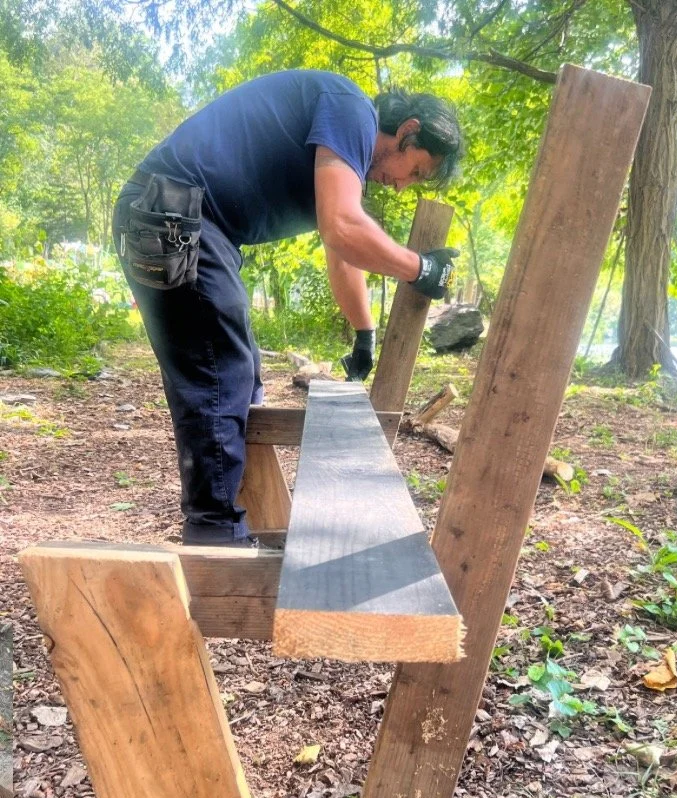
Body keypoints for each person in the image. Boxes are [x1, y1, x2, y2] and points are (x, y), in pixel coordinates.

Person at [113, 68, 462, 546]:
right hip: (173, 211)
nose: (402, 185)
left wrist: (364, 334)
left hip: (192, 221)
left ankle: (243, 515)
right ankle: (214, 534)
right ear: (408, 130)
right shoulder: (352, 108)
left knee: (243, 374)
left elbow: (342, 253)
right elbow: (343, 228)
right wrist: (421, 269)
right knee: (220, 370)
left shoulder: (344, 154)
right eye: (415, 171)